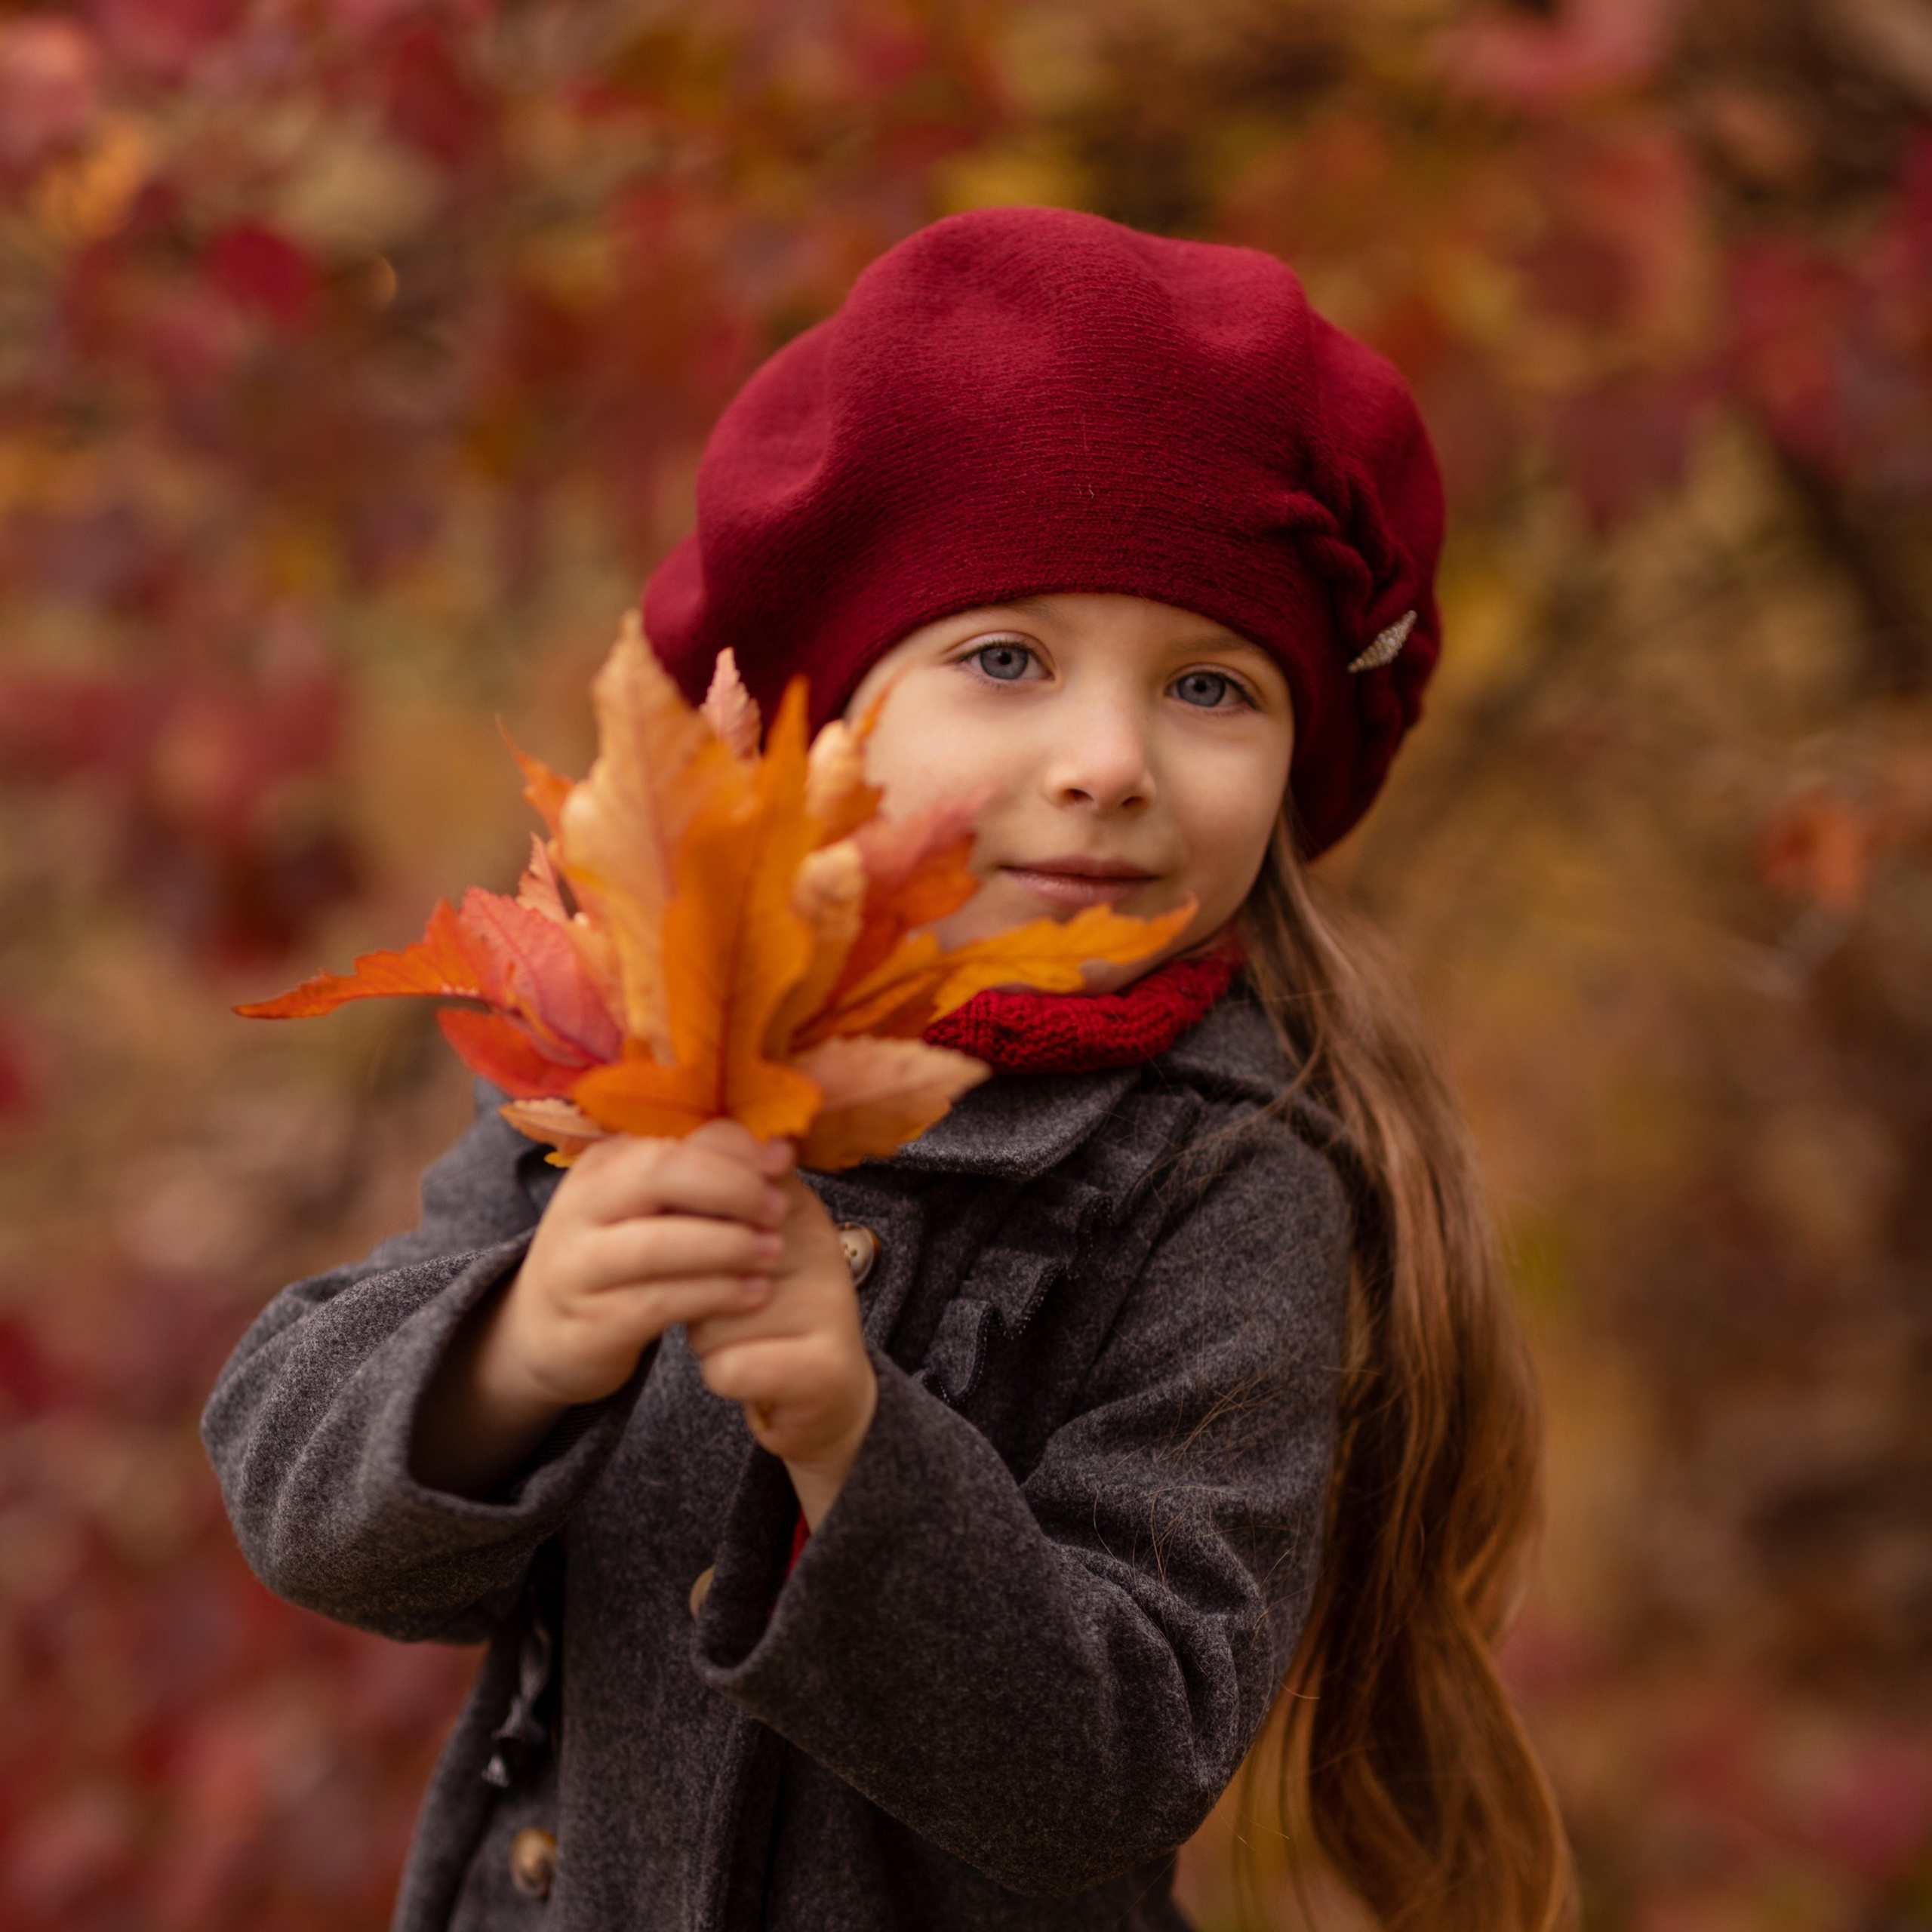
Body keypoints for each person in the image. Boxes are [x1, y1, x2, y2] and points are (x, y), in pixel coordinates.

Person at [202, 207, 1571, 1932]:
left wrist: (858, 1445)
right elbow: (306, 1512)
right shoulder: (647, 1037)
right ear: (824, 711)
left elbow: (1125, 1757)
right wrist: (520, 1343)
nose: (1104, 761)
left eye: (1210, 685)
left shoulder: (1222, 1182)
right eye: (1003, 658)